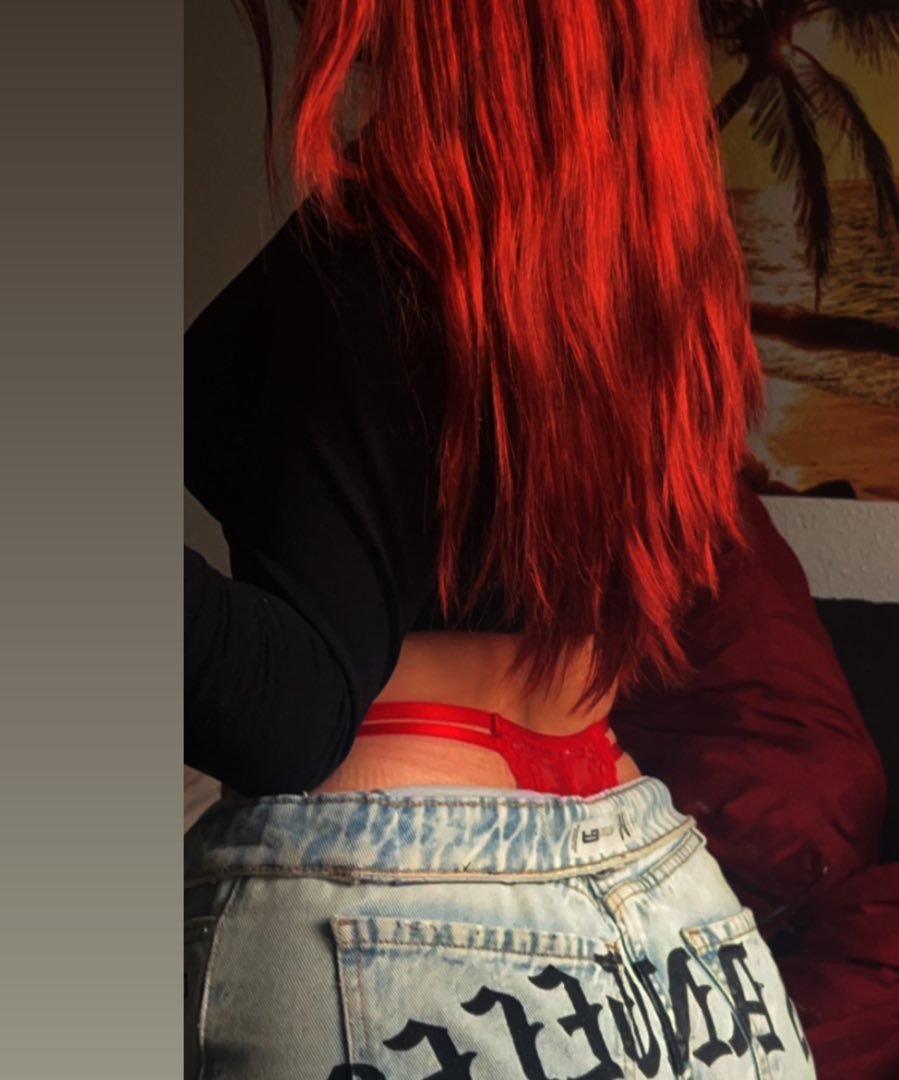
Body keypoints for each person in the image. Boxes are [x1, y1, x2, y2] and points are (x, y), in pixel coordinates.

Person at [183, 2, 817, 1077]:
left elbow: (295, 711)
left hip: (396, 900)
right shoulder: (649, 259)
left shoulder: (379, 255)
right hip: (668, 905)